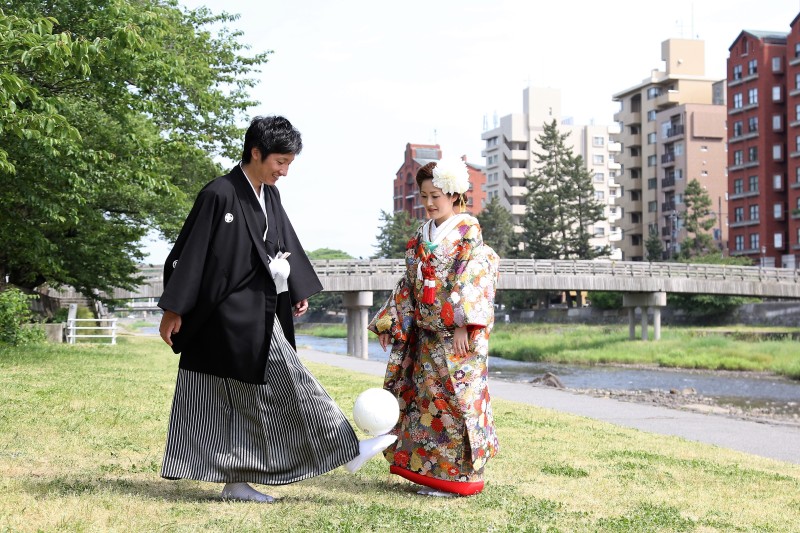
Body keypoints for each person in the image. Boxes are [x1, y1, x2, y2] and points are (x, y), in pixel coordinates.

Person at [157, 116, 388, 503]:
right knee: (282, 386)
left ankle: (237, 480)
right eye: (280, 162)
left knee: (248, 396)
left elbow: (284, 243)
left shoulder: (270, 195)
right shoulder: (219, 193)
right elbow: (191, 253)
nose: (284, 171)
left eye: (289, 164)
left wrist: (295, 287)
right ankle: (345, 450)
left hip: (260, 310)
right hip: (225, 315)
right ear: (256, 152)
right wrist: (174, 308)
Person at [367, 158, 500, 497]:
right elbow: (409, 285)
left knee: (457, 403)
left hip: (457, 339)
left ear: (455, 195)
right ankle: (430, 474)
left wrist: (463, 324)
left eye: (435, 196)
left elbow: (475, 276)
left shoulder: (468, 233)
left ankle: (459, 478)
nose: (427, 203)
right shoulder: (420, 236)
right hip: (425, 337)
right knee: (426, 404)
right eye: (423, 196)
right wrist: (391, 323)